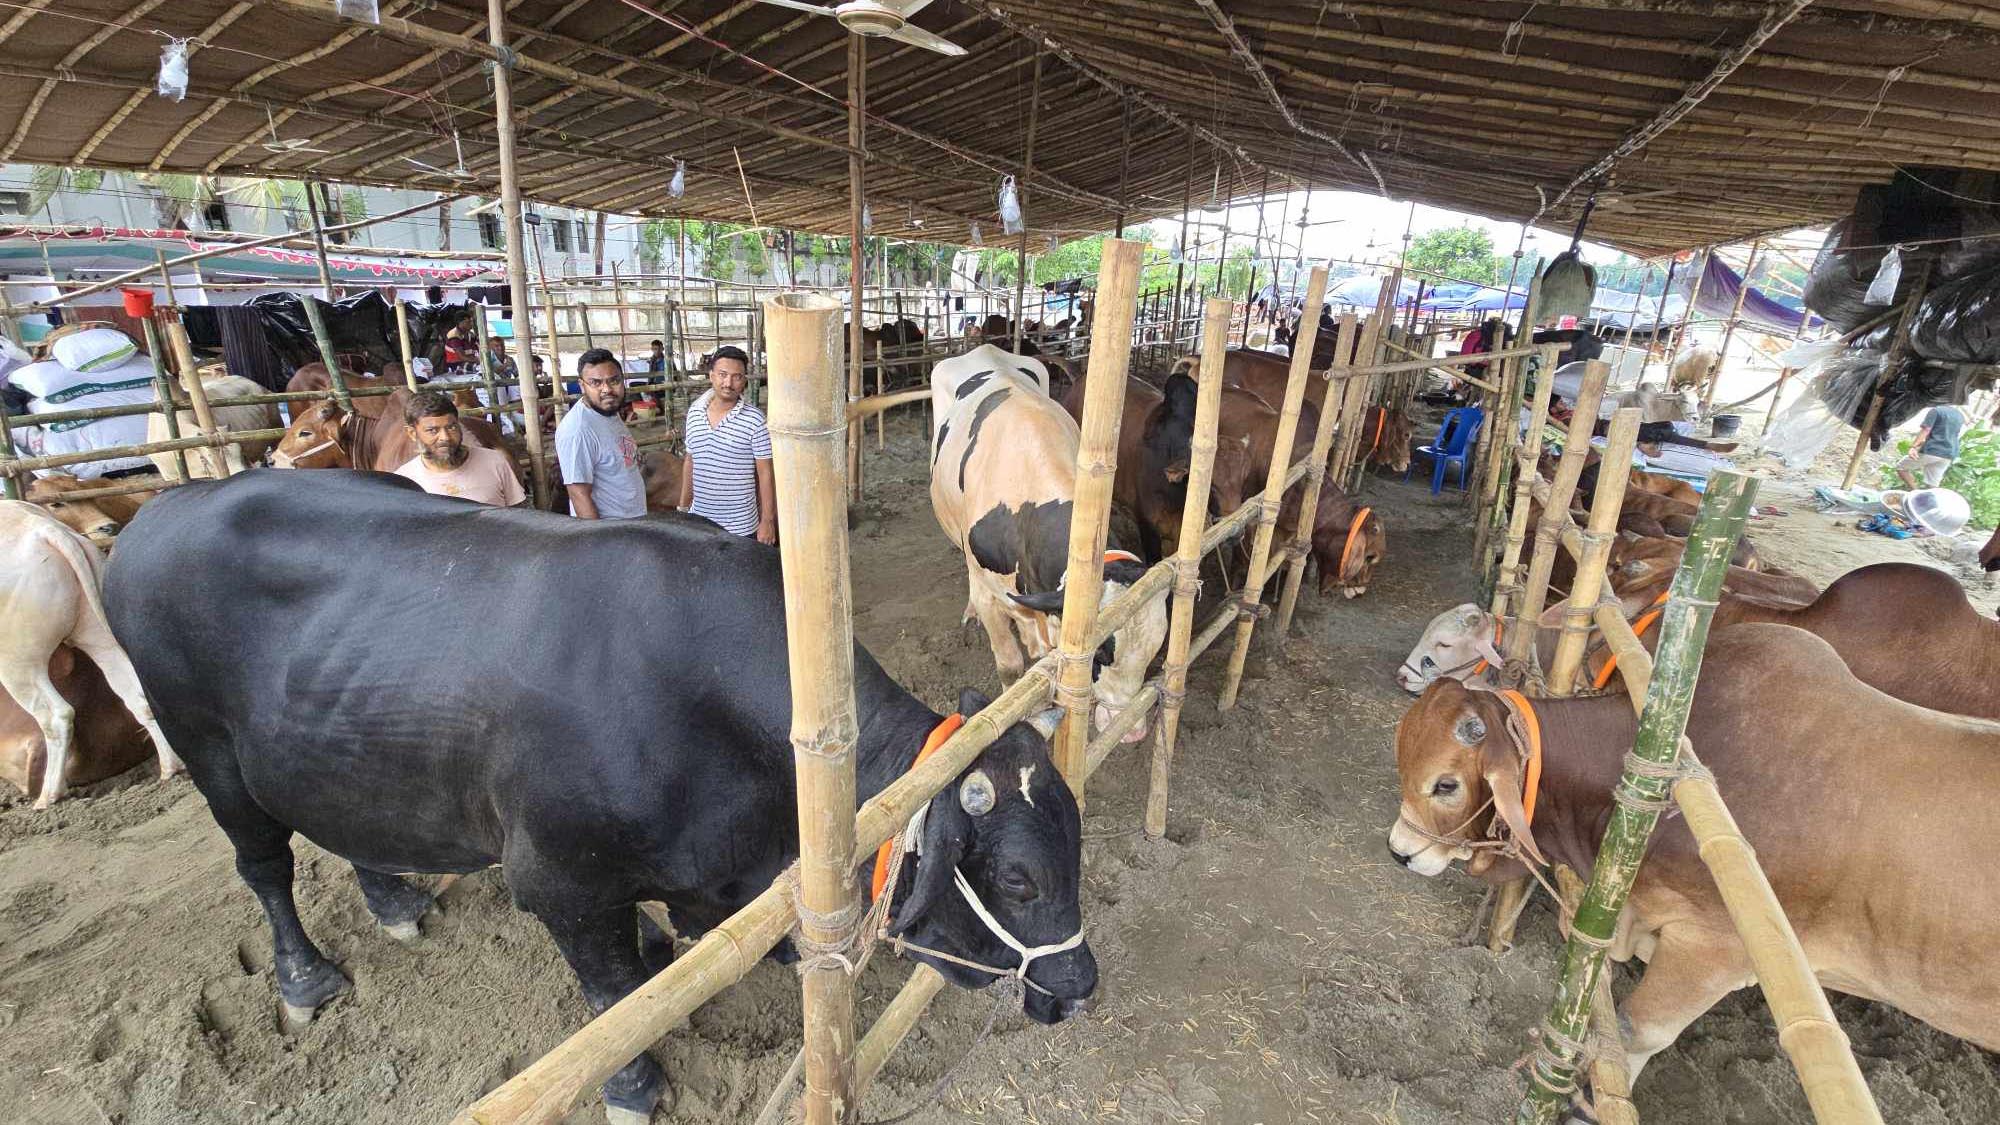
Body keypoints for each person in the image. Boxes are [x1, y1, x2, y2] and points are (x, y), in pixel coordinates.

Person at [679, 345, 775, 543]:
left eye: (736, 377)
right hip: (700, 520)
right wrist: (683, 507)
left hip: (740, 525)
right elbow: (690, 462)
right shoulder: (694, 412)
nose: (728, 383)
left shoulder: (755, 420)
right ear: (711, 375)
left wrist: (767, 521)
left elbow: (765, 473)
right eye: (722, 374)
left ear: (744, 381)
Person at [555, 347, 647, 519]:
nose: (607, 389)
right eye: (596, 383)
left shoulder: (609, 411)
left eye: (614, 381)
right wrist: (599, 542)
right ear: (582, 385)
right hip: (611, 533)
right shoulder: (578, 431)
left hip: (632, 523)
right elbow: (579, 494)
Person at [391, 391, 525, 507]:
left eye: (451, 427)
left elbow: (518, 512)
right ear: (413, 434)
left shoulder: (495, 461)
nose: (445, 437)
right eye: (432, 430)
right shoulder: (405, 481)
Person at [1897, 402, 1966, 490]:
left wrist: (1913, 447)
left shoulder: (1936, 411)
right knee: (1932, 485)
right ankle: (1928, 501)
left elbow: (1926, 429)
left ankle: (1916, 492)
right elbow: (1953, 434)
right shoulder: (1959, 415)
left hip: (1934, 450)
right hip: (1949, 454)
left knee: (1901, 467)